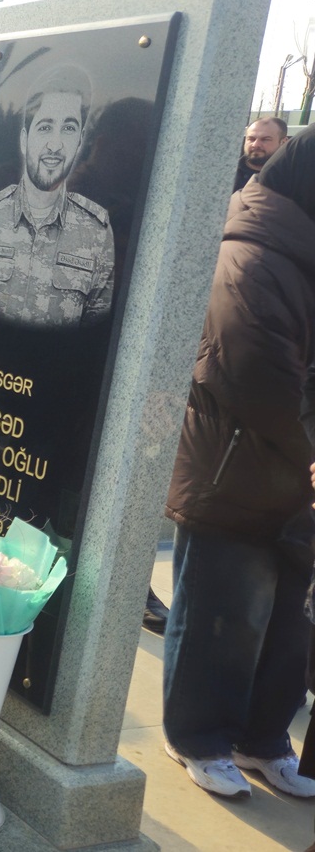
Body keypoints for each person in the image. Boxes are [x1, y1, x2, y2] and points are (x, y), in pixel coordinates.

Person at [162, 129, 315, 800]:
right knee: (223, 614)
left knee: (288, 621)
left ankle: (263, 738)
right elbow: (255, 372)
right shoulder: (251, 255)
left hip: (295, 475)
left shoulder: (301, 251)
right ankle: (199, 737)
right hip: (236, 469)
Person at [0, 66, 113, 331]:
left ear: (80, 141)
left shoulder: (96, 231)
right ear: (25, 139)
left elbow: (96, 332)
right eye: (45, 127)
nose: (55, 145)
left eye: (68, 128)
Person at [233, 116, 289, 193]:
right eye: (251, 139)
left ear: (283, 142)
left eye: (265, 139)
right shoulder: (227, 172)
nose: (255, 145)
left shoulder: (293, 176)